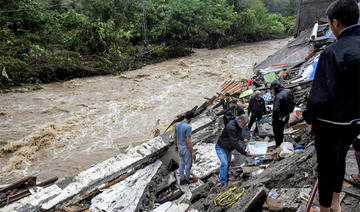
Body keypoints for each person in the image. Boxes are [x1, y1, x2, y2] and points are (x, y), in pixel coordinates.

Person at [303, 1, 360, 211]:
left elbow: (319, 95)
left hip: (331, 124)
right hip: (355, 122)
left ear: (335, 22)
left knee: (326, 167)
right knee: (341, 158)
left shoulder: (332, 52)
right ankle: (336, 203)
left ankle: (326, 208)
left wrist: (309, 118)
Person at [215, 115, 252, 186]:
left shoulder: (238, 125)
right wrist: (245, 153)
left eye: (245, 124)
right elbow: (235, 143)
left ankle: (226, 177)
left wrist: (242, 139)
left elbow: (238, 134)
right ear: (239, 121)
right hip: (221, 147)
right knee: (224, 163)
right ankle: (223, 183)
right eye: (244, 124)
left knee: (228, 163)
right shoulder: (231, 127)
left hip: (228, 148)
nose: (244, 126)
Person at [174, 111, 197, 185]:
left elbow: (175, 136)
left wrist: (176, 146)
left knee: (181, 163)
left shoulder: (177, 124)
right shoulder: (188, 127)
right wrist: (193, 151)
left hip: (180, 147)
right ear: (191, 119)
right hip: (186, 148)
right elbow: (188, 141)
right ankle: (187, 179)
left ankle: (182, 179)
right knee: (188, 165)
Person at [271, 80, 295, 147]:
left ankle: (278, 146)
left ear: (276, 87)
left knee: (277, 133)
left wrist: (275, 118)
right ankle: (281, 144)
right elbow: (293, 101)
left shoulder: (278, 96)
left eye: (273, 89)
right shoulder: (288, 91)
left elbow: (276, 109)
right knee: (281, 131)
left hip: (279, 118)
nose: (272, 90)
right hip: (287, 115)